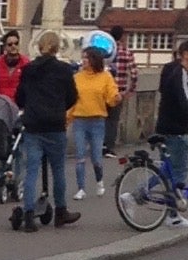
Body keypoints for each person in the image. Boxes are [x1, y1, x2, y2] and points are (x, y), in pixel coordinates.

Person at [11, 31, 77, 227]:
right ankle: (61, 211)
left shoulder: (28, 69)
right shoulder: (64, 70)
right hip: (55, 125)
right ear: (57, 48)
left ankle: (29, 213)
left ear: (39, 47)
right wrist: (58, 108)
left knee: (31, 170)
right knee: (57, 170)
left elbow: (19, 97)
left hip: (33, 125)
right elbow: (72, 96)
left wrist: (31, 108)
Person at [153, 39, 188, 216]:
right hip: (174, 129)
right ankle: (173, 216)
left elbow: (176, 101)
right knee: (179, 173)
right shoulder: (181, 73)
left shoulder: (176, 70)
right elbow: (185, 101)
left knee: (167, 172)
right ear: (185, 54)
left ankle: (136, 195)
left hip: (170, 125)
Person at [69, 33, 119, 199]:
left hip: (97, 120)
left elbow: (111, 95)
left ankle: (99, 182)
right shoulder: (76, 78)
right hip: (80, 120)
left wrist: (115, 98)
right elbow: (72, 100)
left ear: (94, 60)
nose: (83, 61)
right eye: (83, 58)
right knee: (80, 156)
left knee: (97, 157)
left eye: (86, 58)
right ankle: (81, 188)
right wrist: (66, 119)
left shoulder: (105, 76)